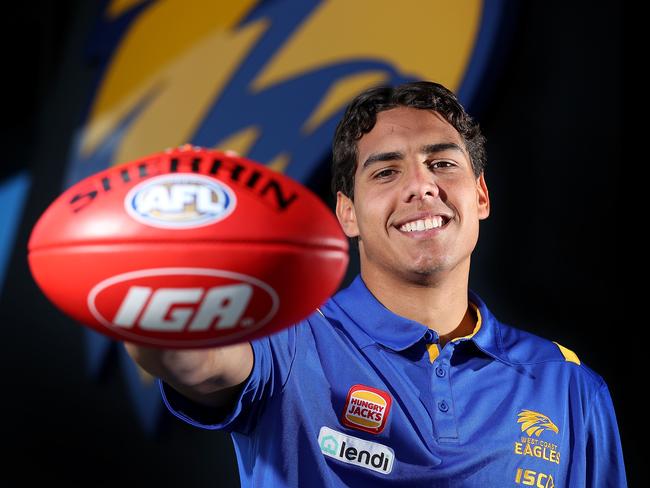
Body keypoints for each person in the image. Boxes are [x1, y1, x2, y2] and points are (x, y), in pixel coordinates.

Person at [125, 81, 627, 487]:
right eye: (386, 172)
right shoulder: (292, 338)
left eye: (442, 164)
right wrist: (162, 255)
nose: (420, 185)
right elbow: (189, 360)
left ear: (480, 196)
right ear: (348, 214)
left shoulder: (567, 386)